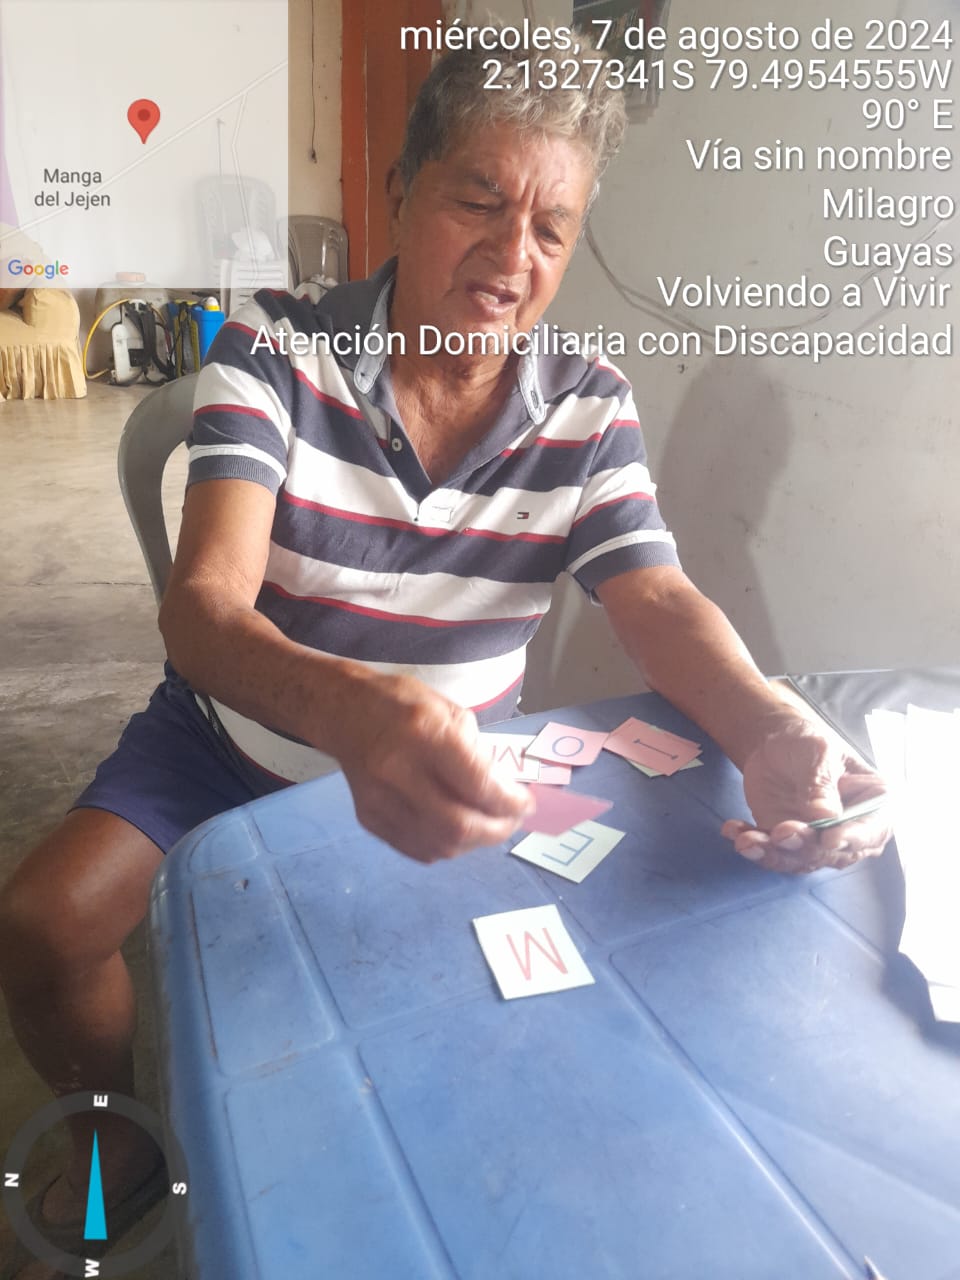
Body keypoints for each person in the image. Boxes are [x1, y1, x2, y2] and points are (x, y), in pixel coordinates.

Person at [0, 34, 889, 1278]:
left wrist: (771, 723)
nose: (513, 257)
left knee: (459, 1062)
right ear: (402, 191)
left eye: (551, 227)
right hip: (225, 744)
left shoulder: (586, 402)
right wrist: (352, 711)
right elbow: (203, 609)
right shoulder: (274, 349)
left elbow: (656, 598)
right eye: (480, 201)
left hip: (450, 775)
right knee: (42, 924)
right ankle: (116, 1132)